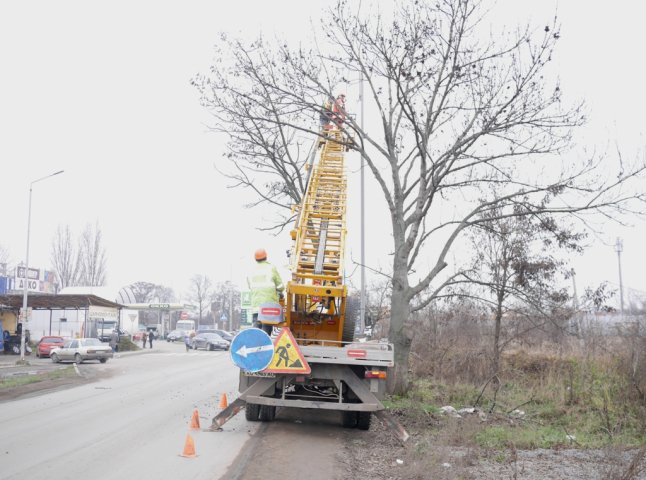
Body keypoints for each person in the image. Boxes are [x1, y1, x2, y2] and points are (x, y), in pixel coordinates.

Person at [247, 248, 284, 335]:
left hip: (256, 306)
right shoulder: (271, 268)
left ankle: (254, 346)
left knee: (256, 330)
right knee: (266, 332)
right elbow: (280, 286)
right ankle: (265, 346)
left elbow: (250, 286)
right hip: (268, 307)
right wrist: (279, 292)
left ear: (255, 259)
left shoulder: (251, 270)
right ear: (266, 257)